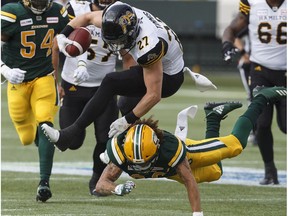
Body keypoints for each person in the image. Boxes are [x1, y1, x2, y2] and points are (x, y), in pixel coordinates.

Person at [91, 86, 286, 216]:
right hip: (167, 170)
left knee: (235, 145)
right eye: (137, 161)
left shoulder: (169, 150)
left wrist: (197, 214)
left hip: (188, 153)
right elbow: (100, 185)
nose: (141, 165)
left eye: (145, 160)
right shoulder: (122, 152)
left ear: (157, 147)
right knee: (215, 172)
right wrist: (116, 189)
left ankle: (261, 98)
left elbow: (188, 180)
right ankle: (213, 116)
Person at [41, 2, 186, 152]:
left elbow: (154, 95)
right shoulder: (118, 16)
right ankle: (122, 151)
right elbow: (87, 17)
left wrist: (126, 120)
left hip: (169, 77)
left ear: (131, 33)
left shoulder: (148, 46)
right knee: (124, 103)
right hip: (161, 61)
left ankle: (69, 136)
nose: (115, 45)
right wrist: (64, 35)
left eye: (119, 40)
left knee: (112, 83)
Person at [1, 0, 69, 202]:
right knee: (26, 136)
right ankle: (39, 138)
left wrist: (73, 49)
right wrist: (5, 70)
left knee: (46, 122)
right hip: (18, 80)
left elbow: (71, 36)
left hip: (44, 76)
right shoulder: (11, 13)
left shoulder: (58, 11)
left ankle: (44, 183)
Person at [52, 0, 122, 196]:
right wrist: (55, 83)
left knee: (105, 139)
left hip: (105, 85)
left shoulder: (123, 12)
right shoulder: (76, 9)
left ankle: (96, 180)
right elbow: (57, 45)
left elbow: (127, 53)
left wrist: (126, 83)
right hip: (73, 84)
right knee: (72, 142)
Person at [221, 0, 287, 185]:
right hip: (260, 71)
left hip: (286, 72)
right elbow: (232, 28)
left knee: (285, 125)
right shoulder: (252, 2)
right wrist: (227, 44)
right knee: (262, 124)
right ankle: (270, 171)